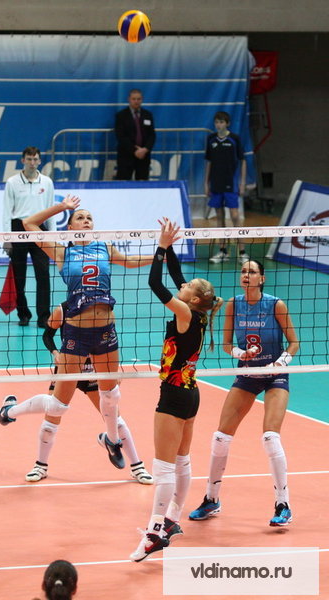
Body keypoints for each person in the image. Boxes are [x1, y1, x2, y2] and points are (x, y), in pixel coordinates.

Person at [0, 197, 155, 473]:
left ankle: (116, 445)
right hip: (76, 334)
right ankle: (12, 416)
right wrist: (62, 207)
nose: (86, 221)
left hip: (104, 331)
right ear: (69, 227)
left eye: (89, 218)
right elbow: (28, 223)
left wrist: (161, 254)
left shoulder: (104, 247)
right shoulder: (62, 252)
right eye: (80, 217)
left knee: (111, 397)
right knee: (58, 406)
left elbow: (130, 261)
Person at [130, 218, 223, 562]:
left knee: (164, 467)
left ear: (193, 298)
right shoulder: (197, 312)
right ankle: (172, 519)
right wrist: (169, 246)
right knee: (182, 461)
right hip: (190, 393)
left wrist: (159, 248)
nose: (182, 284)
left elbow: (155, 282)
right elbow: (176, 274)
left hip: (172, 395)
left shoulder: (184, 311)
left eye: (187, 287)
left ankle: (154, 533)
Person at [188, 260, 299, 526]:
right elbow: (227, 344)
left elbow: (294, 342)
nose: (246, 275)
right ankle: (211, 499)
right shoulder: (233, 305)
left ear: (262, 278)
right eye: (243, 271)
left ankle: (283, 505)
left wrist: (280, 363)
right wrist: (241, 353)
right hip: (248, 373)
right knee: (220, 438)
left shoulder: (276, 305)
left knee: (270, 437)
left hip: (274, 374)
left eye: (252, 272)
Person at [23, 300, 153, 485]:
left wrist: (113, 372)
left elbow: (110, 342)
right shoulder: (63, 309)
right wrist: (55, 353)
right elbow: (47, 335)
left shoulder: (104, 310)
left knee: (114, 418)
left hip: (93, 370)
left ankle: (137, 467)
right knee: (51, 418)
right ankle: (40, 466)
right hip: (68, 368)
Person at [2, 146, 56, 328]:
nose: (32, 163)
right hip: (18, 229)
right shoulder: (12, 182)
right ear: (23, 160)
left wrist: (53, 236)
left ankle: (44, 317)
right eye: (29, 159)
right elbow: (6, 212)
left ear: (39, 161)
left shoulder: (47, 182)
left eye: (35, 159)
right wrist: (7, 238)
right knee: (19, 276)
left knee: (43, 275)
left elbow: (51, 210)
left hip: (40, 229)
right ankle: (23, 314)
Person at [205, 111, 249, 264]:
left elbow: (243, 161)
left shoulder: (234, 139)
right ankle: (223, 251)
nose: (219, 125)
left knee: (235, 216)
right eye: (217, 122)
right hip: (216, 183)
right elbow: (209, 162)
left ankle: (242, 252)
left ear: (227, 123)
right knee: (219, 217)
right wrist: (206, 183)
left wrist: (242, 182)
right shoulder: (211, 139)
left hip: (231, 183)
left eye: (222, 122)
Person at [115, 88, 156, 181]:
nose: (136, 101)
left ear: (142, 99)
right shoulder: (121, 116)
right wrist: (135, 150)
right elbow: (121, 136)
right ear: (129, 99)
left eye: (138, 99)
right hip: (126, 156)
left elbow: (152, 135)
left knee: (143, 184)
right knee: (123, 184)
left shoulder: (147, 115)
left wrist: (145, 149)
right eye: (134, 99)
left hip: (143, 157)